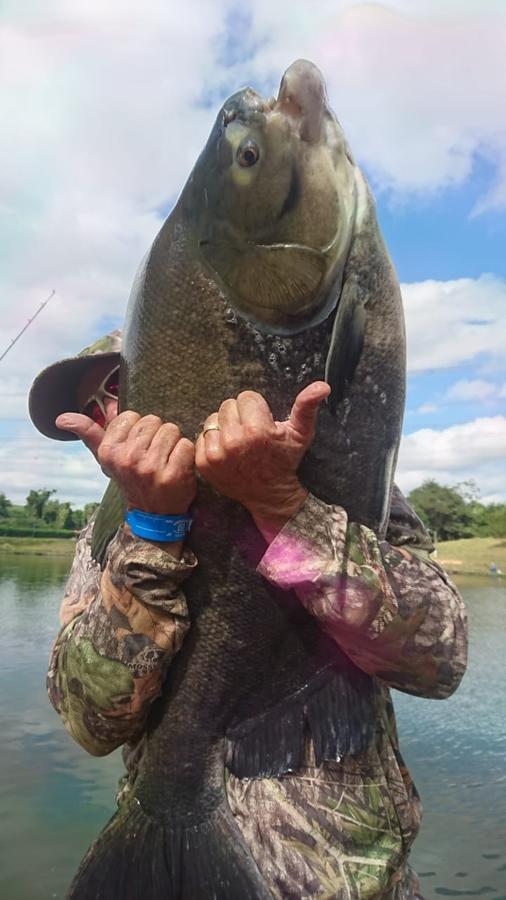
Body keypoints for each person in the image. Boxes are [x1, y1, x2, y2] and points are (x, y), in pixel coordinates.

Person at [29, 331, 467, 900]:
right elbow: (90, 722)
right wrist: (152, 530)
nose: (109, 414)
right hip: (166, 869)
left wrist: (282, 504)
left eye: (117, 386)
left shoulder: (326, 473)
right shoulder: (106, 531)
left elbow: (439, 659)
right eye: (91, 407)